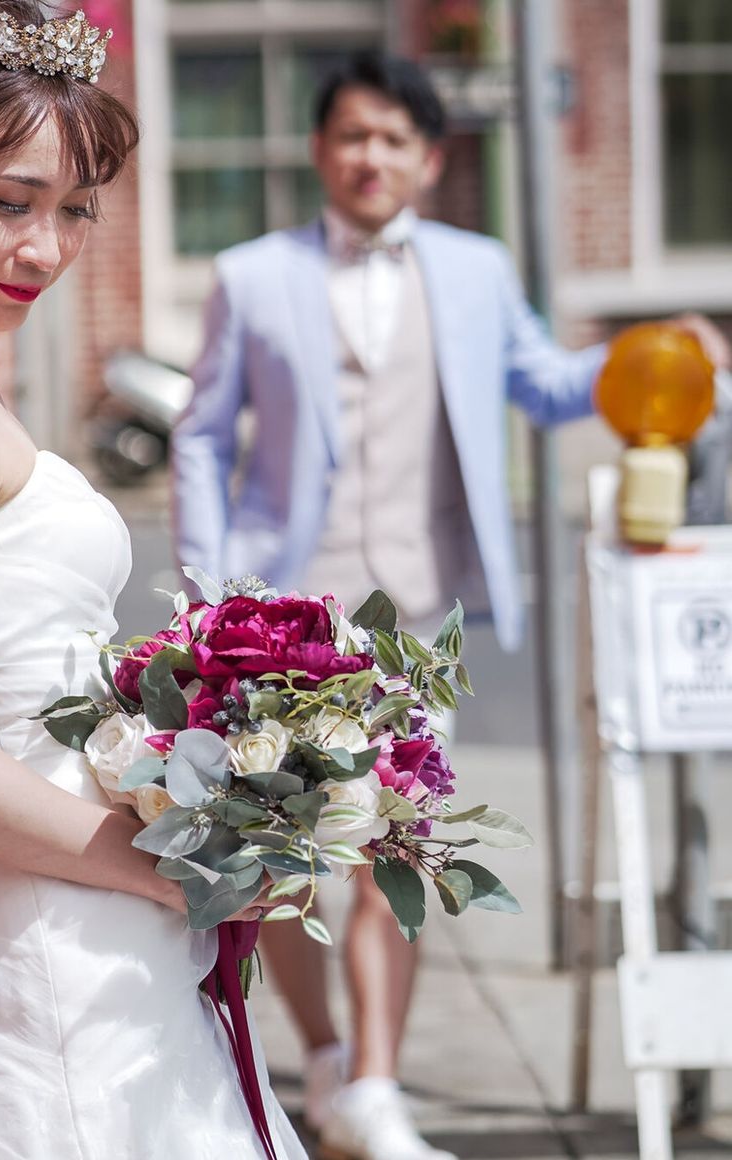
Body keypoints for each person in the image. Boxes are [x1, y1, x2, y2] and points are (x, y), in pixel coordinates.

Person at [170, 50, 730, 1160]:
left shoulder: (477, 270)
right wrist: (206, 586)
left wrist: (654, 350)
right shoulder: (251, 275)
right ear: (320, 149)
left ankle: (378, 1085)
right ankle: (327, 1062)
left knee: (395, 846)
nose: (369, 156)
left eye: (393, 139)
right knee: (280, 857)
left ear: (428, 160)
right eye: (351, 135)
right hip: (281, 622)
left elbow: (546, 384)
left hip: (417, 625)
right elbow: (199, 435)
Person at [0, 5, 307, 1157]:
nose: (44, 249)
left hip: (57, 913)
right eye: (10, 202)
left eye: (76, 209)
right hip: (34, 953)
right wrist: (170, 867)